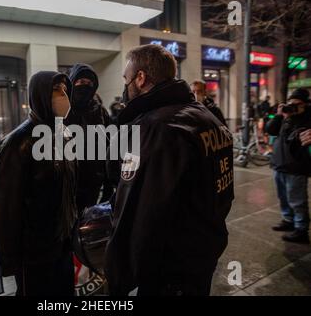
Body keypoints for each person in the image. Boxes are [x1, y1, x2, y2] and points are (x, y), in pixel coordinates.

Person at [105, 45, 234, 296]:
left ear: (140, 78)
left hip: (170, 266)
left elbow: (141, 211)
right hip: (203, 250)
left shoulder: (157, 127)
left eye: (125, 78)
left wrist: (118, 276)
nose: (124, 85)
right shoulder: (205, 116)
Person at [0, 71, 77, 296]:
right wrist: (9, 260)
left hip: (62, 243)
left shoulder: (63, 134)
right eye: (57, 90)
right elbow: (6, 206)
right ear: (40, 95)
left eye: (65, 90)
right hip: (34, 252)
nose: (63, 95)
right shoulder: (18, 142)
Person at [266, 88, 311, 244]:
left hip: (297, 166)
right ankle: (288, 220)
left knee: (297, 199)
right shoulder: (286, 116)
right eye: (291, 103)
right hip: (280, 163)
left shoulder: (308, 117)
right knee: (283, 197)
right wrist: (280, 115)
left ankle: (301, 229)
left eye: (297, 104)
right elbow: (270, 130)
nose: (293, 106)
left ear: (305, 104)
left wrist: (299, 115)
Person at [67, 63, 111, 212]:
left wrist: (108, 182)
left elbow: (109, 145)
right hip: (66, 182)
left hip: (92, 181)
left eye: (89, 83)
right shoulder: (62, 109)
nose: (84, 86)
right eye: (80, 82)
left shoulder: (100, 111)